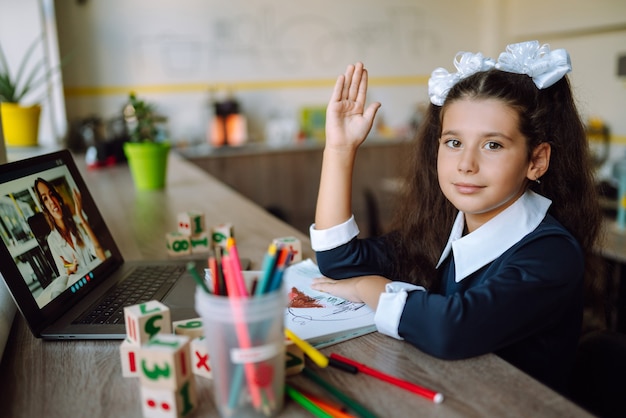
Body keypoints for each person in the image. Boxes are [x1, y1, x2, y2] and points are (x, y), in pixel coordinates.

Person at [309, 41, 603, 394]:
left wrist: (366, 287)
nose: (466, 164)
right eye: (453, 142)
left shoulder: (551, 252)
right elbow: (339, 260)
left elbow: (452, 329)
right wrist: (339, 150)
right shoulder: (446, 225)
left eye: (492, 145)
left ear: (536, 160)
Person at [34, 178, 106, 277]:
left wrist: (81, 218)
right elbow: (64, 271)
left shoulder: (76, 226)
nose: (51, 201)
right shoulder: (52, 240)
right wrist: (70, 268)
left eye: (51, 194)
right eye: (45, 199)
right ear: (44, 207)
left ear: (57, 197)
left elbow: (102, 256)